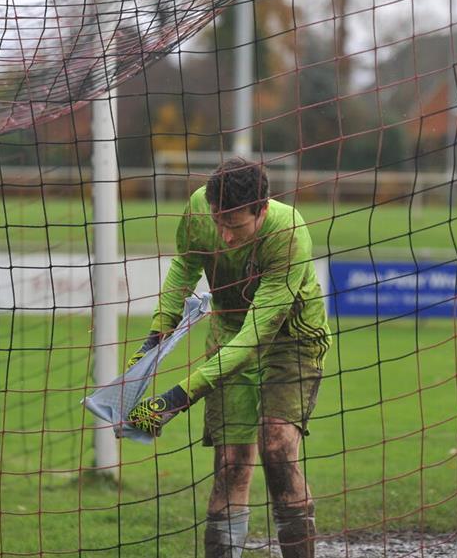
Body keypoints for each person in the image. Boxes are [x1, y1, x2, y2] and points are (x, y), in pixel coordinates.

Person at [126, 157, 331, 558]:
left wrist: (175, 399)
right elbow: (185, 266)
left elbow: (257, 335)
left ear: (263, 209)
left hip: (290, 340)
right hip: (228, 332)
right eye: (220, 223)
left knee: (276, 447)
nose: (226, 235)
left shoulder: (288, 234)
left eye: (235, 226)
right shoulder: (201, 206)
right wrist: (154, 337)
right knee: (232, 464)